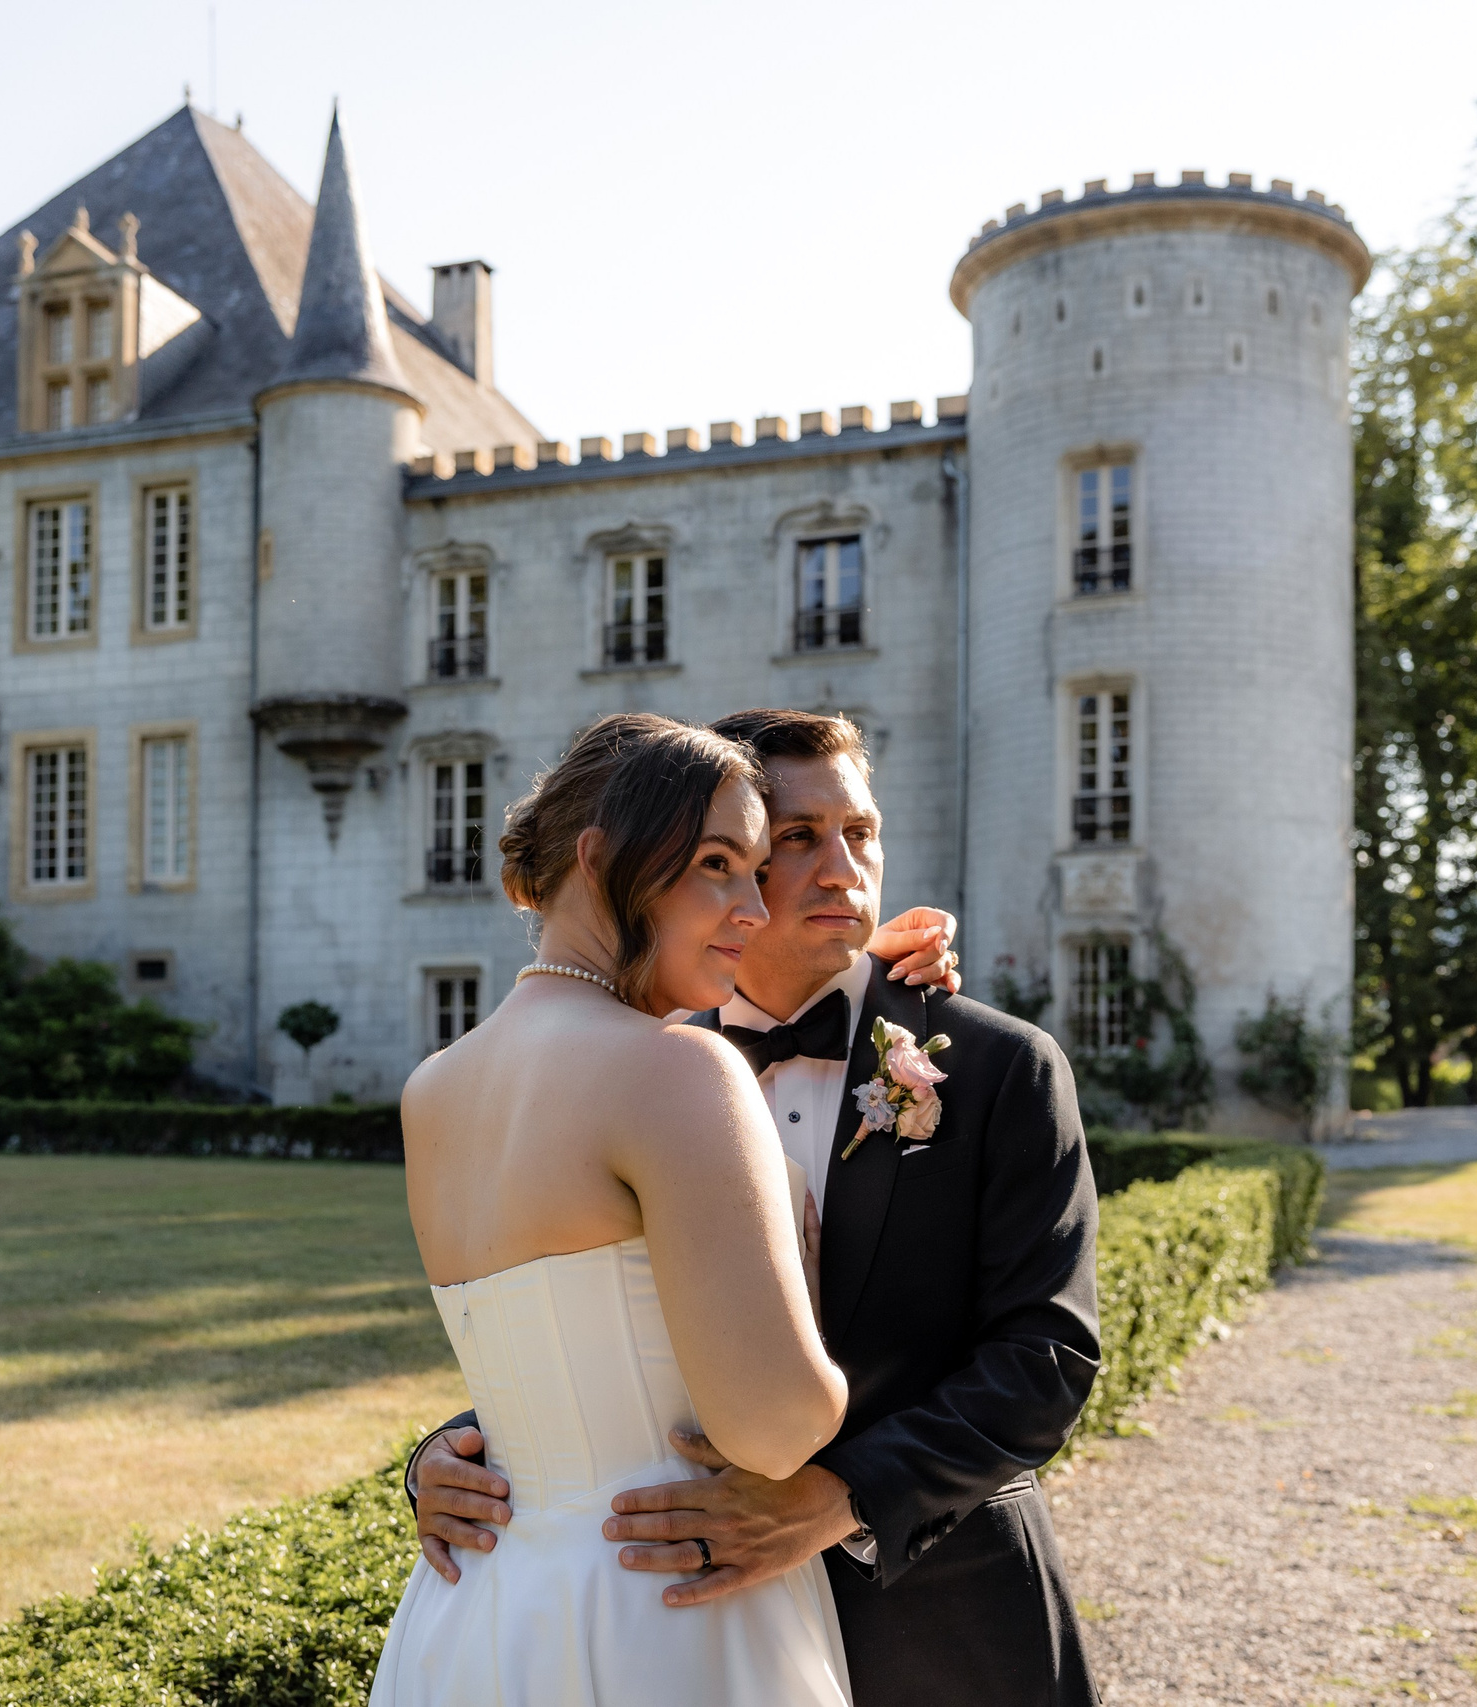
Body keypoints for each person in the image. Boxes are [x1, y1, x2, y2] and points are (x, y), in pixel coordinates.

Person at [407, 707, 1104, 1706]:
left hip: (942, 1618)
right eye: (790, 841)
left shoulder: (995, 1066)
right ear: (682, 857)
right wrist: (452, 1455)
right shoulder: (638, 1064)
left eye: (858, 834)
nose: (840, 870)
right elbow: (601, 1327)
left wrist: (838, 1500)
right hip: (680, 1629)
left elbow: (1047, 1354)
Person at [369, 712, 855, 1705]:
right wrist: (793, 1241)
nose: (751, 909)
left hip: (478, 1613)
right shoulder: (676, 1070)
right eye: (718, 864)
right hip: (663, 1612)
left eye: (753, 870)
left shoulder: (434, 1088)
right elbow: (774, 1431)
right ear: (598, 860)